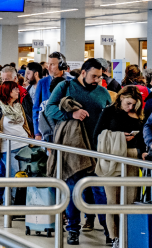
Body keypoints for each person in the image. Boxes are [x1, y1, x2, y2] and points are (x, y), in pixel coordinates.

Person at [45, 58, 111, 245]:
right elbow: (49, 109)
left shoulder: (103, 92)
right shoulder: (65, 87)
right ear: (83, 72)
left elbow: (109, 116)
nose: (97, 79)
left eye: (100, 76)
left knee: (99, 192)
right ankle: (73, 229)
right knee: (74, 191)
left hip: (96, 149)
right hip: (73, 148)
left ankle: (108, 230)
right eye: (94, 76)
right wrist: (70, 114)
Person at [93, 86, 145, 247]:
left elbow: (145, 137)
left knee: (130, 200)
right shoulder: (109, 111)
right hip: (112, 158)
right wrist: (119, 137)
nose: (130, 107)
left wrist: (142, 151)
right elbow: (97, 136)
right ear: (121, 98)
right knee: (112, 200)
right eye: (128, 103)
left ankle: (127, 235)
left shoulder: (140, 114)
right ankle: (114, 236)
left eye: (134, 105)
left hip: (132, 158)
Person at [0, 81, 34, 206]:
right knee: (13, 176)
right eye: (15, 89)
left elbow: (24, 124)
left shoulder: (18, 105)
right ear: (8, 91)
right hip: (7, 147)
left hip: (24, 144)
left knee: (4, 172)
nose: (18, 91)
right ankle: (11, 204)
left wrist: (30, 138)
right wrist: (0, 134)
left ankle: (1, 198)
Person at [32, 52, 69, 139]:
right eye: (48, 64)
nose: (48, 67)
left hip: (66, 127)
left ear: (61, 66)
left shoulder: (72, 82)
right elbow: (36, 108)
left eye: (52, 64)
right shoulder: (42, 82)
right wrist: (37, 132)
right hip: (48, 129)